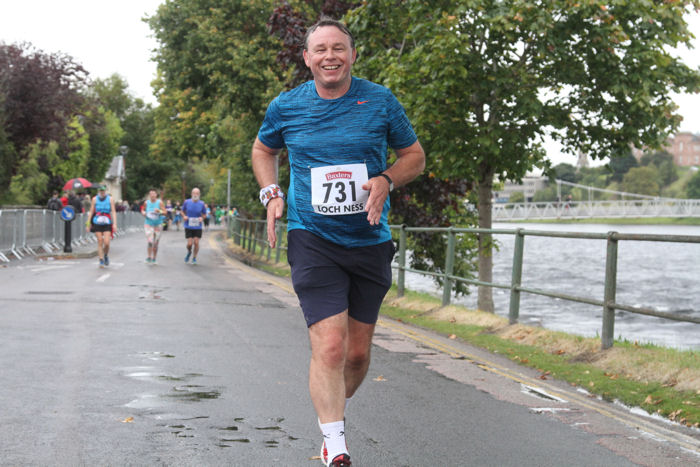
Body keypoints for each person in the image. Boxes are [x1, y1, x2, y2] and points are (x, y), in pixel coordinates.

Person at [251, 17, 425, 467]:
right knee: (329, 346)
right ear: (307, 58)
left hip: (369, 238)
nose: (330, 56)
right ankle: (336, 444)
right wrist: (272, 194)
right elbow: (262, 149)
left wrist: (387, 178)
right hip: (312, 236)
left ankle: (332, 418)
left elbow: (414, 156)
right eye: (321, 49)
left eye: (339, 48)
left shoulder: (380, 101)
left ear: (352, 55)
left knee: (357, 354)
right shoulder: (286, 106)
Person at [86, 185, 117, 267]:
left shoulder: (110, 199)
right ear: (98, 191)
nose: (102, 192)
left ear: (105, 190)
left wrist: (114, 224)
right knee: (100, 240)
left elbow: (113, 211)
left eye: (103, 190)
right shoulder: (94, 199)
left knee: (106, 243)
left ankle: (105, 255)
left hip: (107, 222)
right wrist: (88, 224)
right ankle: (101, 259)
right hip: (97, 221)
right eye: (100, 190)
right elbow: (91, 211)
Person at [182, 188, 207, 264]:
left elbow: (205, 214)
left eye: (197, 193)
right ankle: (189, 252)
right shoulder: (186, 202)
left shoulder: (202, 204)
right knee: (189, 244)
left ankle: (194, 258)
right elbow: (182, 211)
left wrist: (202, 218)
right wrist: (184, 216)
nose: (195, 194)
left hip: (197, 226)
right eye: (194, 193)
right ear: (191, 194)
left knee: (196, 242)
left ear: (199, 195)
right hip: (188, 226)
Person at [141, 189, 166, 264]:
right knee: (150, 241)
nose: (152, 195)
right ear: (149, 195)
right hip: (148, 224)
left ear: (156, 195)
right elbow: (142, 210)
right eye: (150, 194)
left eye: (153, 193)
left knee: (156, 242)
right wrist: (143, 213)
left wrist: (159, 211)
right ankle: (149, 257)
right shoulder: (146, 202)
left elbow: (165, 212)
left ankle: (154, 258)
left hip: (158, 224)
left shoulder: (160, 202)